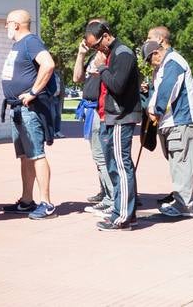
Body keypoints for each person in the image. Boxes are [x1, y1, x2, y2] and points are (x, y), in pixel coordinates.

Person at [2, 9, 57, 219]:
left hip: (29, 109)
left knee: (36, 154)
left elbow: (48, 63)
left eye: (7, 24)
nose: (6, 28)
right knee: (25, 156)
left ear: (16, 24)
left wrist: (33, 92)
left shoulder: (31, 42)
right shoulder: (18, 45)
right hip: (17, 108)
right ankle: (26, 201)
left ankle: (47, 203)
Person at [86, 20, 140, 230]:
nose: (96, 49)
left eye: (97, 44)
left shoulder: (122, 53)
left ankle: (123, 216)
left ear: (106, 35)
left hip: (121, 117)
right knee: (113, 166)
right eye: (92, 47)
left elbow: (117, 85)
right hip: (109, 116)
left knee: (120, 165)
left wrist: (101, 68)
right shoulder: (110, 54)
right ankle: (123, 211)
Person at [145, 36, 193, 219]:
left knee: (181, 162)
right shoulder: (164, 65)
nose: (150, 63)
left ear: (156, 52)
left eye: (149, 59)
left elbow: (169, 88)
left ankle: (183, 205)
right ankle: (180, 199)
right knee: (177, 162)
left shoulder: (173, 62)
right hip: (172, 122)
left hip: (180, 120)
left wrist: (156, 110)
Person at [72, 18, 115, 212]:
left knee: (103, 157)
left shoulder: (111, 55)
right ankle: (106, 193)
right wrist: (81, 55)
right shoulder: (93, 56)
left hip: (102, 109)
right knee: (98, 156)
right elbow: (77, 78)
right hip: (90, 109)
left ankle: (113, 198)